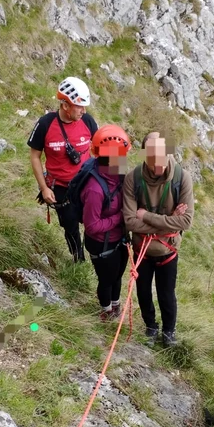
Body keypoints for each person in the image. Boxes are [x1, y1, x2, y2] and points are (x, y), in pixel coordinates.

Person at [123, 131, 194, 347]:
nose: (158, 165)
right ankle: (151, 327)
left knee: (166, 294)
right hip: (142, 250)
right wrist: (169, 220)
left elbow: (186, 222)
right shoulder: (133, 179)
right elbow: (129, 222)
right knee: (143, 292)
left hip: (167, 251)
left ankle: (169, 331)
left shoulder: (182, 179)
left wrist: (146, 216)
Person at [28, 77, 98, 263]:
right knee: (70, 226)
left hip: (86, 184)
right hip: (60, 187)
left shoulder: (88, 121)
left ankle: (98, 257)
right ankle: (79, 261)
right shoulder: (45, 124)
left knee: (94, 222)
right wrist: (44, 188)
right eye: (79, 106)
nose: (83, 111)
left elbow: (100, 151)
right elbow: (35, 156)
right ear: (65, 105)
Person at [75, 125, 131, 322]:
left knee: (117, 277)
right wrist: (120, 218)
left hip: (119, 239)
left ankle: (116, 306)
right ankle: (106, 312)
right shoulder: (94, 190)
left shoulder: (119, 174)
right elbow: (91, 226)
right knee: (107, 280)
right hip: (101, 243)